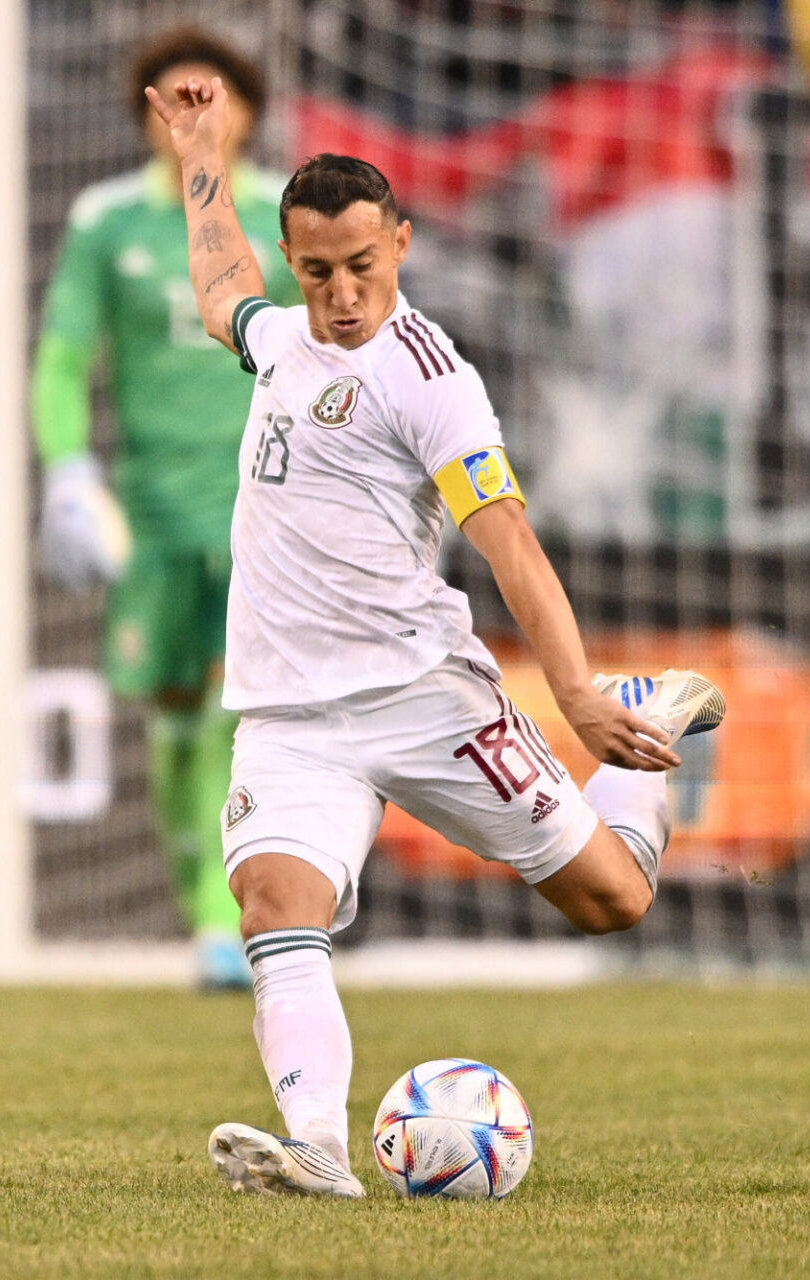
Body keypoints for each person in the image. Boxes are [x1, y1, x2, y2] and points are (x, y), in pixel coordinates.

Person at [144, 75, 726, 1197]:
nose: (343, 293)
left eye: (363, 266)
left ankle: (642, 715)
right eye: (317, 271)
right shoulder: (281, 342)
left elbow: (509, 541)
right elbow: (223, 287)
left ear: (401, 244)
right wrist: (202, 147)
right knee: (276, 900)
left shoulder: (434, 383)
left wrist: (578, 694)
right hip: (288, 715)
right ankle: (315, 1142)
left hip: (426, 697)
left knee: (614, 900)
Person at [31, 28, 302, 991]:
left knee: (245, 705)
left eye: (216, 98)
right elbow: (65, 359)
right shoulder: (107, 222)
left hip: (267, 503)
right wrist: (67, 469)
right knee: (177, 711)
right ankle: (208, 909)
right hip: (152, 509)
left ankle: (228, 920)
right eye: (177, 98)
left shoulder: (288, 214)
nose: (197, 117)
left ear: (253, 112)